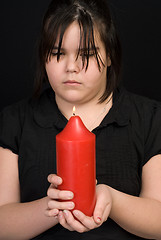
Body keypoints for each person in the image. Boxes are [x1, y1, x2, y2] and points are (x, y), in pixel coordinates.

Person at [0, 0, 161, 239]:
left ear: (109, 56)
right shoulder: (15, 121)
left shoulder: (149, 118)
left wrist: (111, 200)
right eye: (57, 53)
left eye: (86, 54)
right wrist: (52, 206)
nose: (71, 67)